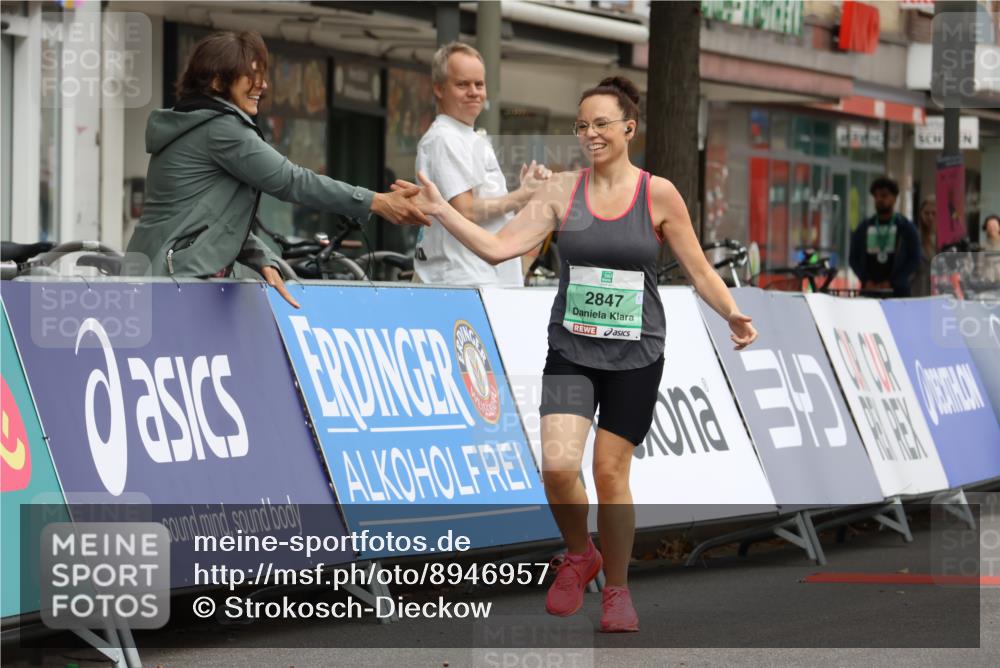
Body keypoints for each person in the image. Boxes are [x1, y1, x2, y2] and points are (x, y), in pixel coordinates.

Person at [398, 76, 757, 632]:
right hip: (572, 351)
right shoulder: (563, 192)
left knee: (610, 473)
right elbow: (498, 247)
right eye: (582, 125)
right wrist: (443, 210)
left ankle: (616, 590)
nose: (591, 134)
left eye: (601, 124)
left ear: (628, 128)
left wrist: (731, 312)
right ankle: (579, 551)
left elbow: (699, 269)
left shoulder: (657, 194)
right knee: (559, 467)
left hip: (636, 357)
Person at [126, 31, 429, 306]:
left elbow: (210, 221)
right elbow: (292, 181)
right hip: (176, 282)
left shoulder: (198, 124)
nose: (263, 85)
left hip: (166, 278)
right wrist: (376, 201)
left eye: (262, 75)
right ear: (217, 81)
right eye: (251, 75)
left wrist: (262, 256)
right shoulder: (220, 130)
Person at [413, 42, 551, 287]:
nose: (474, 91)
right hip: (463, 280)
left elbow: (487, 212)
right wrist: (520, 197)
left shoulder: (466, 136)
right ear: (438, 88)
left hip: (479, 277)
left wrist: (527, 195)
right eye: (462, 84)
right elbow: (465, 210)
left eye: (479, 84)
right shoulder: (445, 138)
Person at [848, 176, 920, 297]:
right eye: (876, 196)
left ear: (894, 198)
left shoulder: (906, 228)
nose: (879, 199)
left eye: (884, 195)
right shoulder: (864, 228)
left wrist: (893, 282)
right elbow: (853, 258)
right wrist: (866, 280)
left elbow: (914, 259)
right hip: (869, 292)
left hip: (898, 293)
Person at [911, 198, 936, 297]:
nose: (930, 217)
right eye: (926, 213)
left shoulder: (943, 239)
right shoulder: (915, 237)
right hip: (919, 289)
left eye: (933, 213)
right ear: (921, 214)